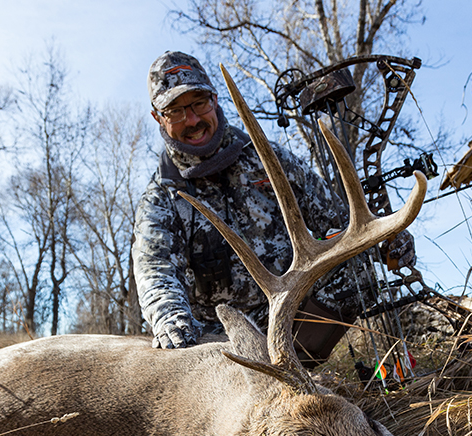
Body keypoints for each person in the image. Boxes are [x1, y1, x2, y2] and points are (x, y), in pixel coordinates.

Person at [131, 51, 412, 363]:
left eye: (198, 103)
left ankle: (297, 376)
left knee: (356, 269)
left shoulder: (268, 158)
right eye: (176, 111)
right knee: (178, 342)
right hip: (221, 342)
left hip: (292, 314)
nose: (193, 120)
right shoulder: (161, 197)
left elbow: (338, 221)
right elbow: (155, 271)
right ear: (159, 117)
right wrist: (171, 321)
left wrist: (381, 241)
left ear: (215, 99)